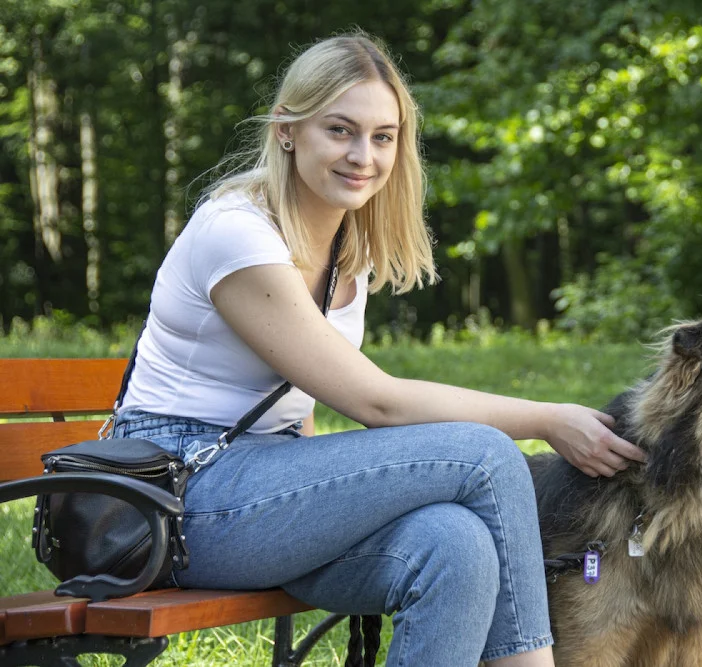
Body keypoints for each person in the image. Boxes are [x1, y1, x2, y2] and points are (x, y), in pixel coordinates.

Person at [112, 32, 646, 666]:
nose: (363, 155)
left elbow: (298, 399)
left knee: (457, 545)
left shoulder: (346, 252)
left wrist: (319, 489)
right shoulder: (236, 232)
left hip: (260, 496)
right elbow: (376, 402)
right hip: (175, 499)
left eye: (383, 136)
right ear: (288, 129)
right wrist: (548, 418)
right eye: (340, 130)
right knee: (485, 454)